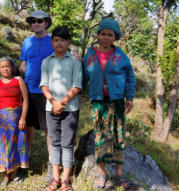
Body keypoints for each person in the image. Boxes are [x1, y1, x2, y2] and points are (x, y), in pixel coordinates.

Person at [83, 18, 136, 189]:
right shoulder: (90, 54)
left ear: (115, 36)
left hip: (117, 102)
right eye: (103, 34)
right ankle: (102, 173)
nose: (106, 37)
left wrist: (129, 97)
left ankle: (119, 174)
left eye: (110, 34)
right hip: (98, 102)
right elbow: (83, 76)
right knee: (100, 135)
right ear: (98, 35)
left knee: (118, 136)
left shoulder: (120, 55)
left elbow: (130, 77)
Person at [40, 26, 83, 191]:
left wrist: (62, 102)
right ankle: (55, 178)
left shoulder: (74, 62)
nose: (59, 43)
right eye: (56, 40)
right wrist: (53, 101)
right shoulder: (47, 61)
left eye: (62, 40)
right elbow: (44, 84)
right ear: (52, 42)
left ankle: (65, 180)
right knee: (55, 142)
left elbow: (77, 86)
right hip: (50, 108)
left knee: (67, 143)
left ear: (68, 42)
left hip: (70, 108)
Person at [19, 10, 54, 181]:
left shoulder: (54, 40)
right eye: (33, 21)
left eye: (40, 21)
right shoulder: (27, 42)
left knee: (50, 130)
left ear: (46, 23)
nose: (36, 24)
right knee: (27, 128)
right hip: (29, 90)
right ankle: (25, 162)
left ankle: (51, 165)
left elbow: (63, 57)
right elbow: (24, 63)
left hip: (48, 91)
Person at [0, 57, 29, 187]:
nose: (5, 68)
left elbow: (26, 100)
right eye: (2, 66)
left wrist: (23, 118)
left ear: (13, 68)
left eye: (8, 66)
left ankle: (14, 173)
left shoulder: (18, 80)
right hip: (1, 120)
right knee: (2, 146)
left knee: (16, 145)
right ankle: (5, 175)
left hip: (17, 120)